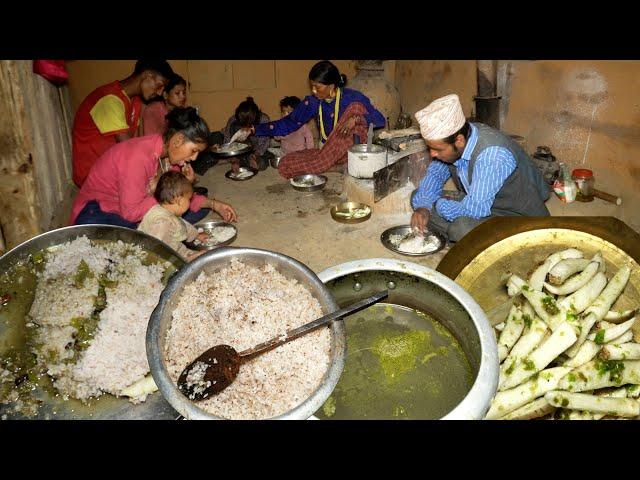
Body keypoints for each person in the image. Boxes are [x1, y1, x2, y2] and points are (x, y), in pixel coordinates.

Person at [410, 94, 550, 243]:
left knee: (461, 228)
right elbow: (435, 176)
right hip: (483, 203)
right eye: (430, 148)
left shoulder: (492, 154)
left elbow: (475, 210)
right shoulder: (459, 139)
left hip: (518, 216)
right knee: (418, 197)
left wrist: (437, 205)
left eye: (437, 149)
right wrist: (424, 207)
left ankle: (480, 241)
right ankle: (471, 240)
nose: (432, 154)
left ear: (459, 140)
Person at [70, 107, 237, 228]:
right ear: (178, 140)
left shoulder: (169, 157)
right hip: (98, 211)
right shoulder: (137, 157)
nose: (194, 158)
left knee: (195, 211)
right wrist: (167, 193)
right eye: (193, 151)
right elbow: (131, 213)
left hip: (130, 206)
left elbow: (176, 195)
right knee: (159, 227)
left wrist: (214, 205)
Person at [239, 60, 385, 178]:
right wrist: (255, 129)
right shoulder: (314, 101)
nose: (314, 91)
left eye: (317, 87)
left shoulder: (352, 97)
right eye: (312, 87)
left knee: (357, 110)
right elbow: (289, 123)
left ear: (331, 85)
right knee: (286, 163)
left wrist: (356, 119)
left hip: (349, 150)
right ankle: (334, 167)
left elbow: (380, 119)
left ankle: (338, 165)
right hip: (326, 150)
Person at [72, 60, 175, 187]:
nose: (159, 93)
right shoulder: (109, 100)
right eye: (159, 86)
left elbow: (137, 142)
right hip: (92, 178)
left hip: (112, 170)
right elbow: (129, 149)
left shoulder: (135, 102)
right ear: (147, 76)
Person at [138, 171, 206, 262]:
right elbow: (157, 248)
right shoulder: (162, 223)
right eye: (189, 199)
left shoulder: (167, 211)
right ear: (180, 201)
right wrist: (184, 259)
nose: (190, 202)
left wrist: (196, 235)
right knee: (195, 259)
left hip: (169, 246)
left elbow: (182, 225)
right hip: (158, 256)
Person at [222, 97, 272, 172]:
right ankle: (239, 160)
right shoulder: (233, 121)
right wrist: (234, 159)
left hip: (255, 150)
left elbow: (265, 143)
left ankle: (244, 161)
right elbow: (227, 141)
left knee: (262, 164)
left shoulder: (263, 120)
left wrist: (254, 156)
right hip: (239, 151)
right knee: (216, 141)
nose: (245, 129)